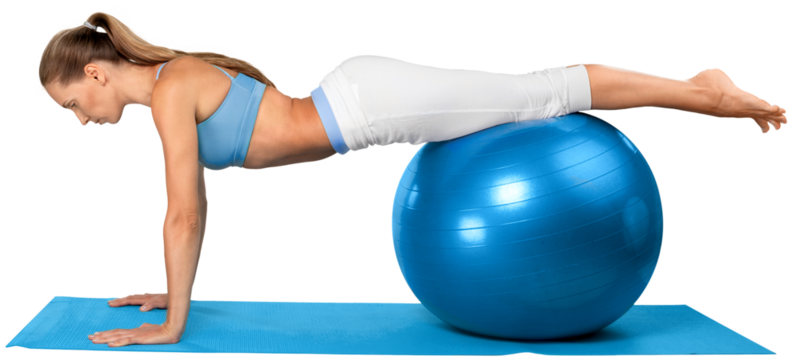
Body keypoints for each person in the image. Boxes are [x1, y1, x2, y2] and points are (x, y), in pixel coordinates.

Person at [39, 13, 789, 348]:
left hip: (368, 106)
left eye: (76, 104)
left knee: (541, 93)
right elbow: (192, 216)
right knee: (531, 95)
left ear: (98, 72)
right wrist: (174, 290)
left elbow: (183, 212)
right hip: (358, 101)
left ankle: (700, 90)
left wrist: (173, 324)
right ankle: (697, 89)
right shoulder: (173, 89)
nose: (82, 119)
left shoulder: (170, 92)